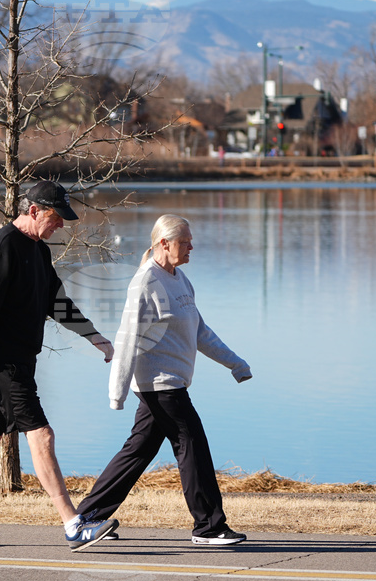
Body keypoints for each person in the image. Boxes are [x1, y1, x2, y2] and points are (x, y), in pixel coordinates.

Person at [0, 180, 119, 552]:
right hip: (4, 363)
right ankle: (73, 524)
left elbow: (56, 302)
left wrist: (95, 337)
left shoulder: (39, 252)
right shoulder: (1, 247)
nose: (62, 224)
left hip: (21, 361)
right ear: (33, 210)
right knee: (42, 434)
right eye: (56, 216)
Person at [76, 214, 252, 545]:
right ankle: (209, 526)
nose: (191, 247)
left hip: (171, 383)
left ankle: (88, 516)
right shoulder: (145, 284)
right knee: (192, 445)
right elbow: (127, 339)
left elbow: (200, 331)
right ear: (164, 244)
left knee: (137, 451)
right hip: (160, 385)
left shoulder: (180, 280)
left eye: (190, 241)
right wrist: (117, 393)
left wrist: (235, 363)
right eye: (185, 242)